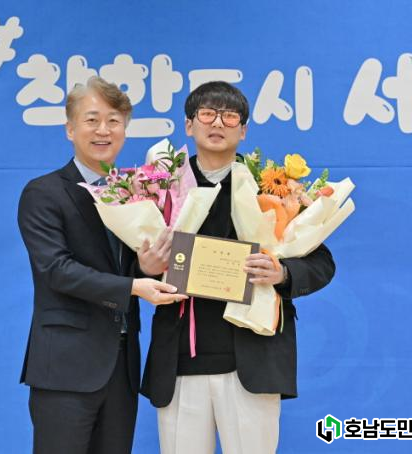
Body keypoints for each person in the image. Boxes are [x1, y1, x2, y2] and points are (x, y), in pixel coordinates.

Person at [141, 81, 336, 453]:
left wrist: (283, 272)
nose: (218, 123)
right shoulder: (161, 187)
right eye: (207, 114)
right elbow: (135, 262)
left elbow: (321, 262)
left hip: (252, 359)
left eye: (229, 117)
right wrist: (145, 267)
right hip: (180, 361)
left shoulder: (271, 187)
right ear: (188, 125)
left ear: (243, 130)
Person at [18, 76, 184, 454]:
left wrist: (146, 268)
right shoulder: (43, 193)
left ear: (125, 129)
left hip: (121, 365)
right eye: (91, 120)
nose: (103, 130)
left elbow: (128, 268)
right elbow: (56, 270)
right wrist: (133, 287)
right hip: (66, 367)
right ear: (70, 129)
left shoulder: (134, 193)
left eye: (114, 121)